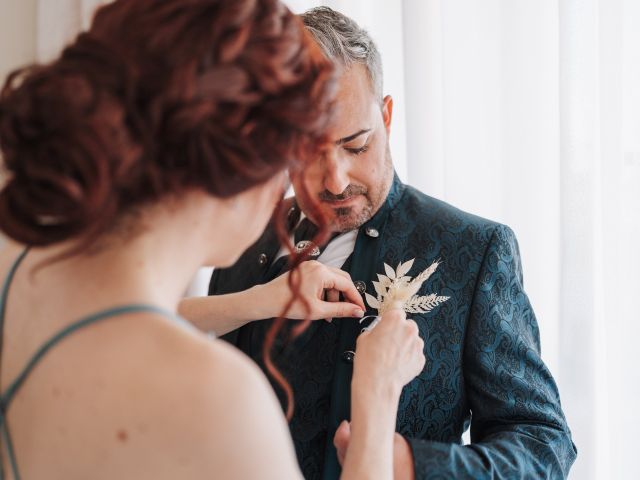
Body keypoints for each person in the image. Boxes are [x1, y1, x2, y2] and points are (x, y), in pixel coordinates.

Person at [0, 1, 425, 479]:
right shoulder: (221, 401)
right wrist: (376, 404)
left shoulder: (20, 266)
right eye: (297, 152)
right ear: (242, 163)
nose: (322, 181)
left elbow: (126, 318)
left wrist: (256, 302)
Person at [200, 6, 578, 480]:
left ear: (387, 116)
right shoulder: (237, 236)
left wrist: (411, 464)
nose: (336, 180)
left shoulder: (477, 250)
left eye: (356, 145)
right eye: (305, 152)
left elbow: (544, 444)